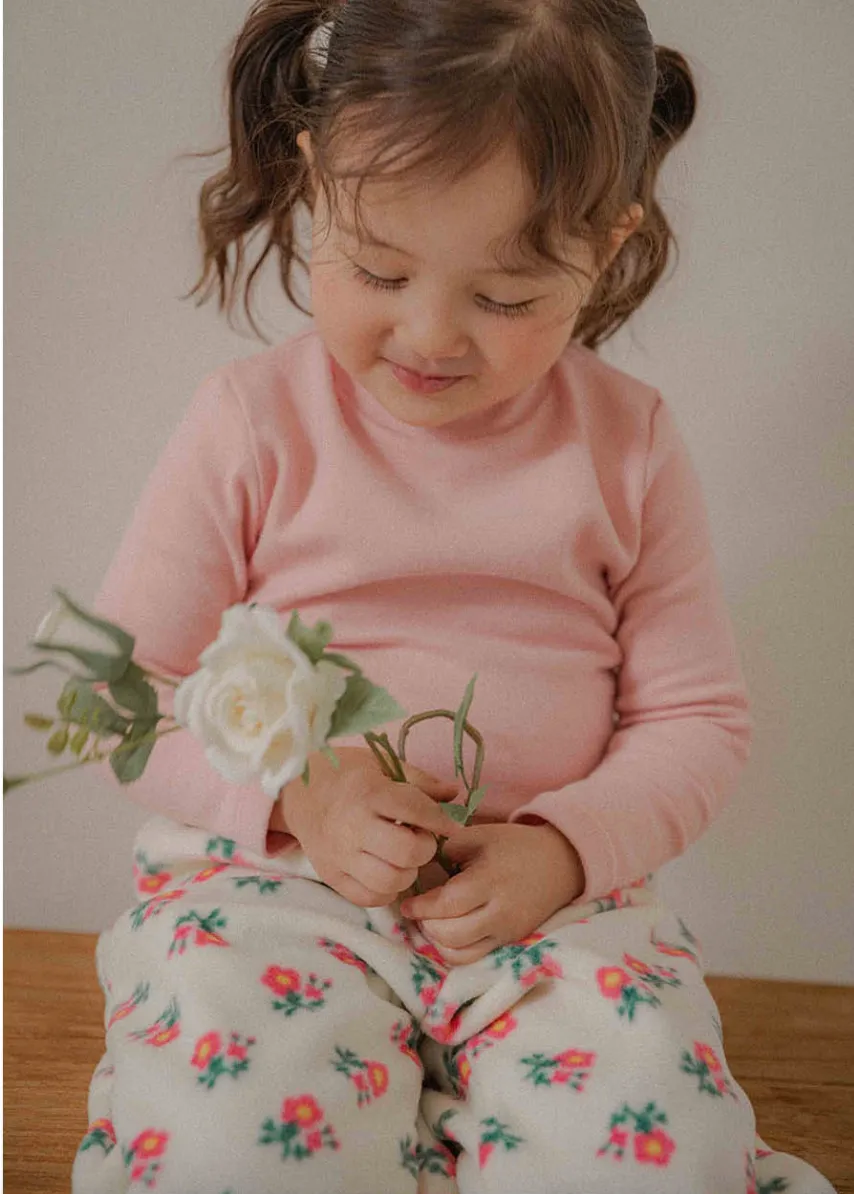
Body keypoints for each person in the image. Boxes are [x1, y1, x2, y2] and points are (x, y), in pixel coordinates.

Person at [72, 2, 837, 1192]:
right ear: (313, 181)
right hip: (275, 889)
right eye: (378, 269)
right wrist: (300, 795)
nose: (429, 336)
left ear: (605, 245)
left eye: (507, 297)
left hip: (547, 914)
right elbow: (118, 696)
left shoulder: (626, 443)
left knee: (659, 1162)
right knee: (235, 1152)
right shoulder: (252, 422)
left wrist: (561, 854)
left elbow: (696, 720)